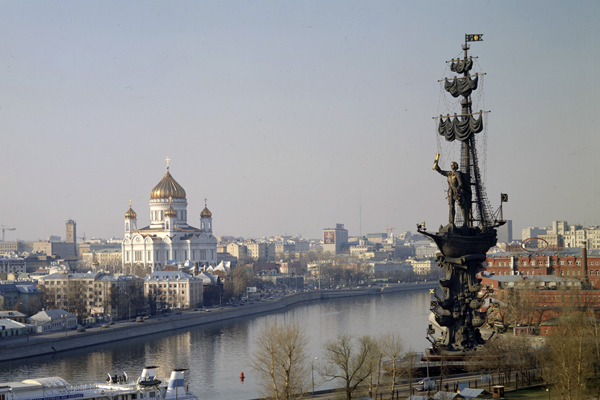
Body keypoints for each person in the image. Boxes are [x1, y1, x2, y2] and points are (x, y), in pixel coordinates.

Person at [434, 160, 471, 226]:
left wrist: (459, 187)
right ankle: (451, 222)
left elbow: (460, 182)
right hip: (450, 192)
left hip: (457, 191)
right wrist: (436, 166)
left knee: (461, 205)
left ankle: (465, 222)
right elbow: (441, 172)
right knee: (451, 207)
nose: (451, 166)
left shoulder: (457, 174)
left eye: (452, 165)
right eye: (451, 165)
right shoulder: (449, 173)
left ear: (455, 166)